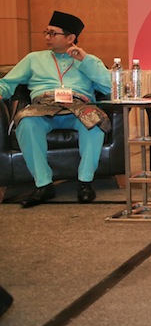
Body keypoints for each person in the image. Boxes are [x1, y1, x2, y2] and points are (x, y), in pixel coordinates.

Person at [0, 11, 111, 208]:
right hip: (42, 107)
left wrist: (84, 60)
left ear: (70, 38)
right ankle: (43, 185)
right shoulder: (34, 59)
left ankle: (85, 182)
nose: (47, 38)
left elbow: (110, 87)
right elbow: (7, 84)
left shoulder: (88, 60)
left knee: (94, 122)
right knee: (26, 123)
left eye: (52, 33)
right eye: (46, 33)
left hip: (78, 107)